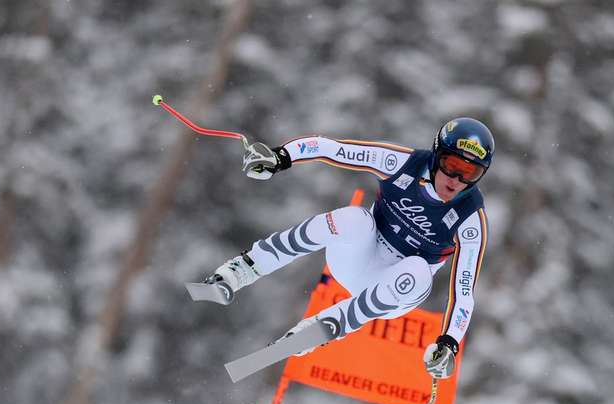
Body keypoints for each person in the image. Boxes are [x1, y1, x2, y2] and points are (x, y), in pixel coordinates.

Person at [204, 118, 493, 379]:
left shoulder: (471, 218)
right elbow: (330, 148)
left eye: (470, 173)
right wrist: (281, 157)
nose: (456, 180)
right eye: (452, 166)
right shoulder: (402, 162)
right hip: (357, 256)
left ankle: (320, 330)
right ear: (435, 154)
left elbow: (464, 291)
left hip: (394, 289)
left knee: (418, 271)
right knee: (353, 218)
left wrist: (449, 343)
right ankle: (243, 269)